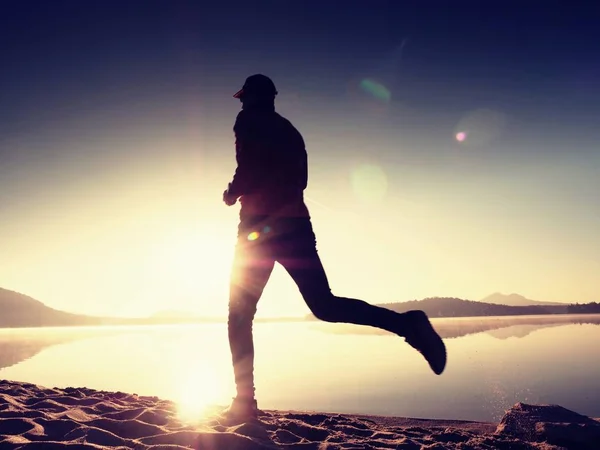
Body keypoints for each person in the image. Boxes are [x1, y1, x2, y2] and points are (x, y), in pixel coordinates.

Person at [222, 74, 446, 421]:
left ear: (251, 98)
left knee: (239, 314)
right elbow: (301, 180)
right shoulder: (291, 132)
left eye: (242, 99)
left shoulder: (247, 120)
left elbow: (249, 168)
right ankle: (408, 325)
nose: (240, 104)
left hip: (258, 230)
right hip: (295, 225)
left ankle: (244, 403)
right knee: (324, 305)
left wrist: (232, 191)